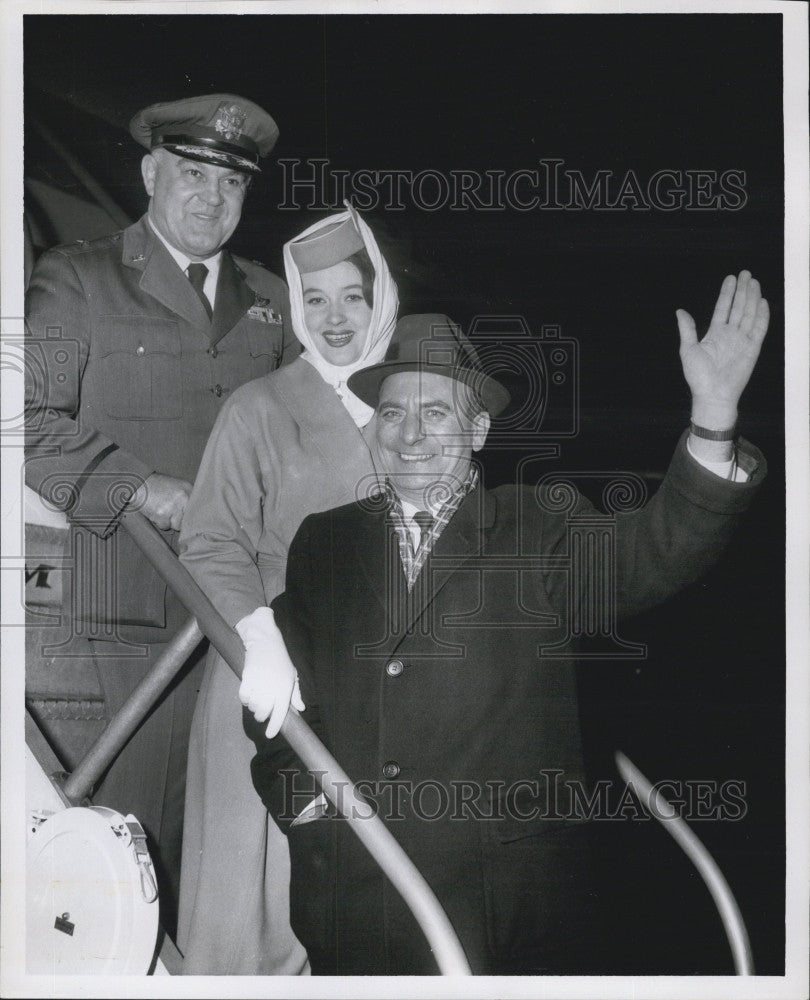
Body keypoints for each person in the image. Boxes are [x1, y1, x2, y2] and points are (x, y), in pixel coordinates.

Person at [249, 271, 769, 974]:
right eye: (394, 414)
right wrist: (308, 811)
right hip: (352, 903)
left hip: (502, 917)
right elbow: (277, 704)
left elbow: (657, 549)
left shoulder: (538, 526)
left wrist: (713, 416)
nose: (409, 435)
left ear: (479, 429)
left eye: (436, 414)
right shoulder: (325, 542)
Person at [24, 93, 297, 937]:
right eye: (192, 175)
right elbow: (23, 421)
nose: (211, 199)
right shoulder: (78, 278)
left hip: (236, 627)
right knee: (111, 864)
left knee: (213, 869)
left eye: (231, 184)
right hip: (115, 622)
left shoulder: (271, 304)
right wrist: (145, 488)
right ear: (150, 173)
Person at [177, 207, 399, 973]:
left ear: (382, 299)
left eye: (352, 297)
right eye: (315, 300)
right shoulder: (259, 407)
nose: (333, 319)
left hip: (373, 690)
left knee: (355, 912)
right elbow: (208, 536)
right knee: (247, 915)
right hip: (269, 682)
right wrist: (257, 637)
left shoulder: (412, 406)